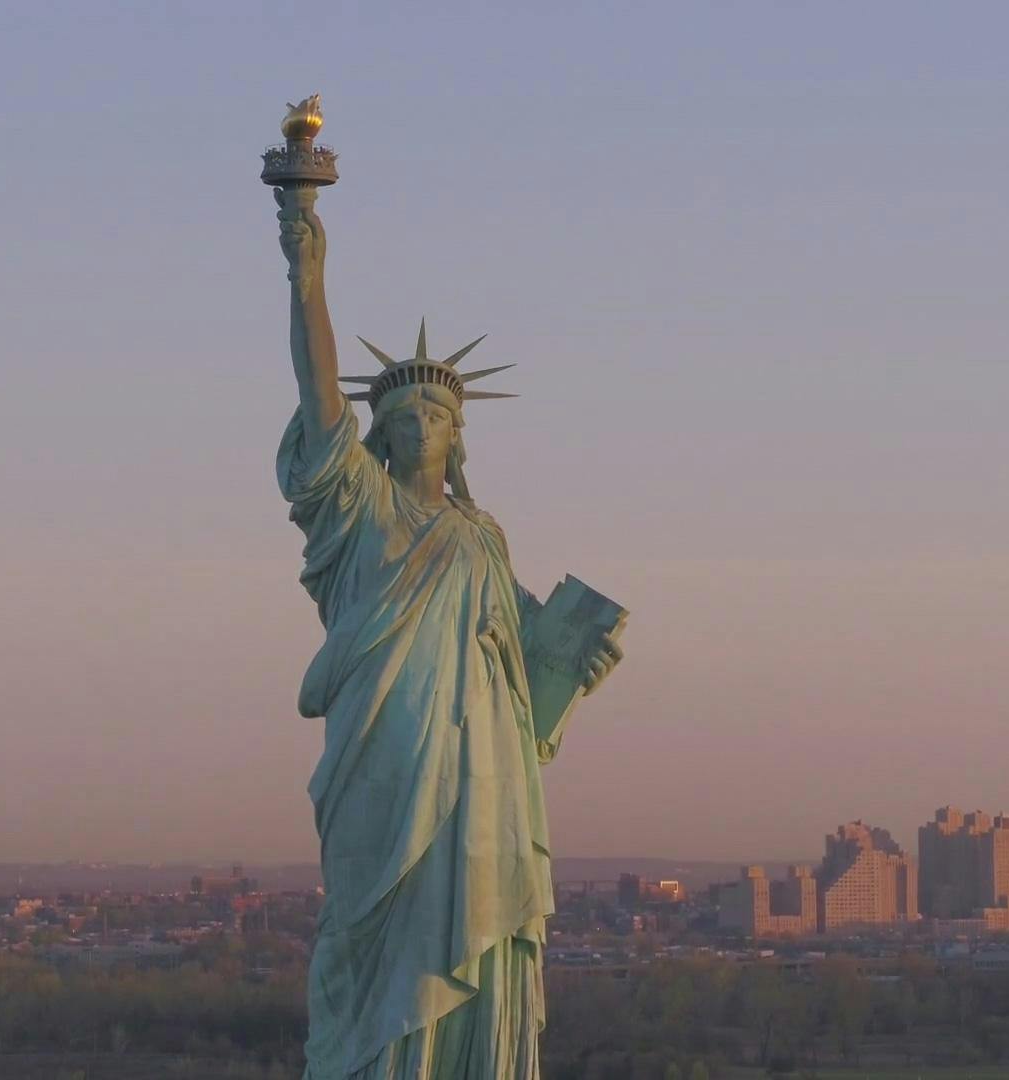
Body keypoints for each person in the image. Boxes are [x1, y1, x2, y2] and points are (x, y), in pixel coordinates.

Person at [274, 185, 622, 1080]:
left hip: (482, 772)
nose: (420, 426)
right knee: (372, 939)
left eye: (435, 416)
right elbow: (320, 401)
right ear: (379, 437)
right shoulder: (359, 510)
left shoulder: (482, 539)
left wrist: (576, 669)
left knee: (473, 929)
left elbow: (522, 677)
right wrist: (308, 279)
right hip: (385, 756)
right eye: (402, 417)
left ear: (457, 437)